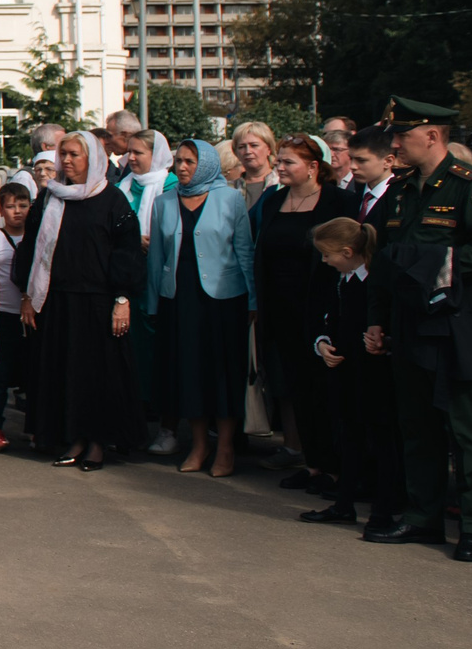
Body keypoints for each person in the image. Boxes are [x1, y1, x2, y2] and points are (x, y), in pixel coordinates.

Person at [366, 97, 472, 561]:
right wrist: (377, 318)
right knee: (417, 426)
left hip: (453, 322)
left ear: (432, 136)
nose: (395, 144)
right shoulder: (403, 188)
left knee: (467, 429)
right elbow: (384, 259)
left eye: (403, 136)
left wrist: (434, 265)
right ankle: (424, 517)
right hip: (409, 322)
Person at [14, 133, 145, 470]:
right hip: (56, 301)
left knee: (97, 375)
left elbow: (126, 253)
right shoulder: (48, 199)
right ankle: (72, 437)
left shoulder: (112, 200)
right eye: (64, 154)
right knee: (63, 371)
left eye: (75, 154)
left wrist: (122, 299)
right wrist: (28, 296)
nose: (67, 161)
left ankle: (97, 443)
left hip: (99, 303)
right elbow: (31, 249)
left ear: (94, 159)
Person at [250, 136, 359, 497]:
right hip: (280, 312)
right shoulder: (273, 200)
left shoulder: (340, 201)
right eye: (278, 161)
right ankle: (313, 464)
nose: (279, 168)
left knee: (328, 391)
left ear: (313, 167)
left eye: (288, 163)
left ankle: (339, 469)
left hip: (324, 310)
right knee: (297, 390)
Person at [149, 140, 257, 478]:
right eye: (178, 161)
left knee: (223, 372)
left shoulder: (229, 199)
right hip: (180, 299)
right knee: (189, 372)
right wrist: (153, 302)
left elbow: (245, 252)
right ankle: (199, 444)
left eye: (190, 161)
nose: (182, 167)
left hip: (224, 301)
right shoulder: (165, 202)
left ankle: (225, 446)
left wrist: (253, 301)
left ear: (207, 164)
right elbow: (156, 259)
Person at [304, 217, 399, 531]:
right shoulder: (341, 279)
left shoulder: (375, 280)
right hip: (346, 372)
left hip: (374, 374)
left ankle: (382, 511)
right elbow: (328, 317)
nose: (324, 260)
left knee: (382, 441)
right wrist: (322, 343)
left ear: (346, 252)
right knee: (349, 437)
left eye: (327, 254)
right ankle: (344, 504)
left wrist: (385, 341)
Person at [117, 127, 176, 453]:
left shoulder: (170, 186)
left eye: (139, 152)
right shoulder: (124, 187)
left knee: (159, 347)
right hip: (131, 280)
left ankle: (163, 418)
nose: (132, 158)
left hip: (160, 279)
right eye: (130, 151)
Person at [0, 178, 34, 450]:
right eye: (11, 206)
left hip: (32, 315)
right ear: (1, 209)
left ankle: (35, 426)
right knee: (0, 375)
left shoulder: (37, 236)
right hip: (2, 313)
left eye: (23, 205)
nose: (17, 211)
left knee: (33, 374)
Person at [229, 121, 276, 208]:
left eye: (254, 145)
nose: (248, 151)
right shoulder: (229, 189)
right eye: (241, 147)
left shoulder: (282, 184)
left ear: (269, 149)